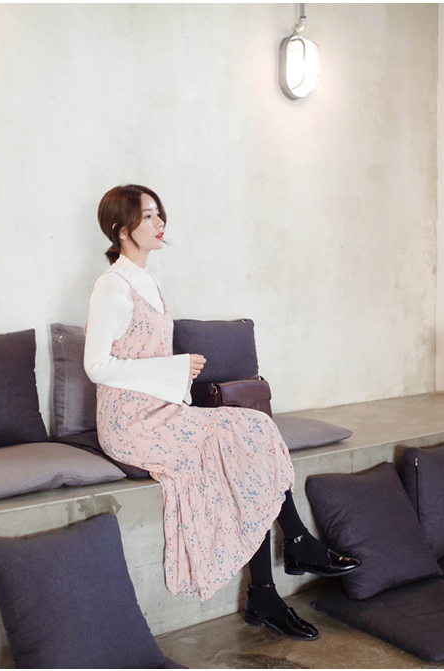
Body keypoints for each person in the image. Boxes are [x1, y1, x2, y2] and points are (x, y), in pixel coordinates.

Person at [84, 184, 359, 641]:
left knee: (253, 430)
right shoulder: (110, 286)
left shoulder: (148, 282)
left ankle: (275, 578)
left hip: (162, 410)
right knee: (236, 446)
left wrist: (172, 375)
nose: (159, 223)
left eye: (158, 213)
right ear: (122, 230)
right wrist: (174, 367)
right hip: (128, 422)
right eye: (148, 216)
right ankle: (292, 554)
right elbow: (96, 367)